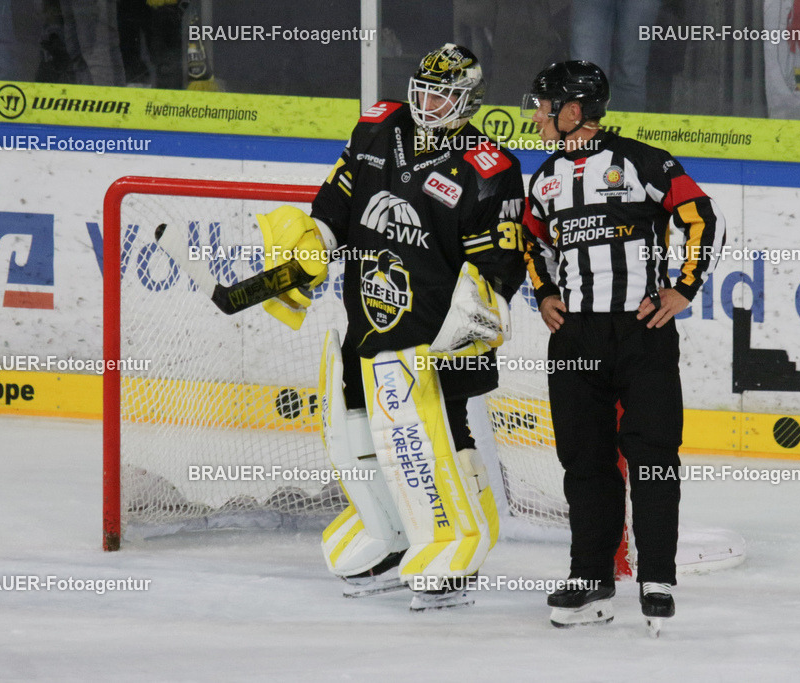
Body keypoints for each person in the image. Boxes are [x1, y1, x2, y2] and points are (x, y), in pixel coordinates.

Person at [259, 44, 527, 611]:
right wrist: (313, 249)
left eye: (442, 94)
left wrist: (474, 320)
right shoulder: (376, 129)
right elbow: (335, 204)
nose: (428, 102)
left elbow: (500, 263)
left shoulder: (490, 168)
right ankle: (390, 535)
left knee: (441, 431)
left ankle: (459, 540)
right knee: (360, 425)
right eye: (423, 89)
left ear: (468, 102)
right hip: (370, 314)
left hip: (438, 330)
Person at [521, 61, 726, 631]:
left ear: (573, 112)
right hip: (575, 338)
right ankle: (590, 580)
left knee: (654, 457)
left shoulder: (640, 162)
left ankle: (657, 575)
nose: (536, 117)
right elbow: (531, 243)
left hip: (643, 333)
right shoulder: (543, 180)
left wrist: (683, 288)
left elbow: (702, 217)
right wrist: (543, 294)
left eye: (544, 107)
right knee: (584, 462)